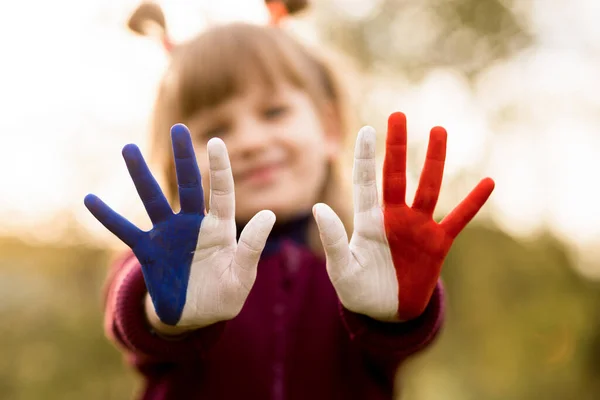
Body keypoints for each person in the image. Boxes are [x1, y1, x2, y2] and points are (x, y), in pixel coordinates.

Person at [84, 1, 495, 399]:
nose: (249, 141)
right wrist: (164, 312)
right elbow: (133, 314)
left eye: (274, 112)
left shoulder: (361, 264)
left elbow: (399, 337)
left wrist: (399, 309)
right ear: (176, 164)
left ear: (329, 127)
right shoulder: (172, 266)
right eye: (216, 129)